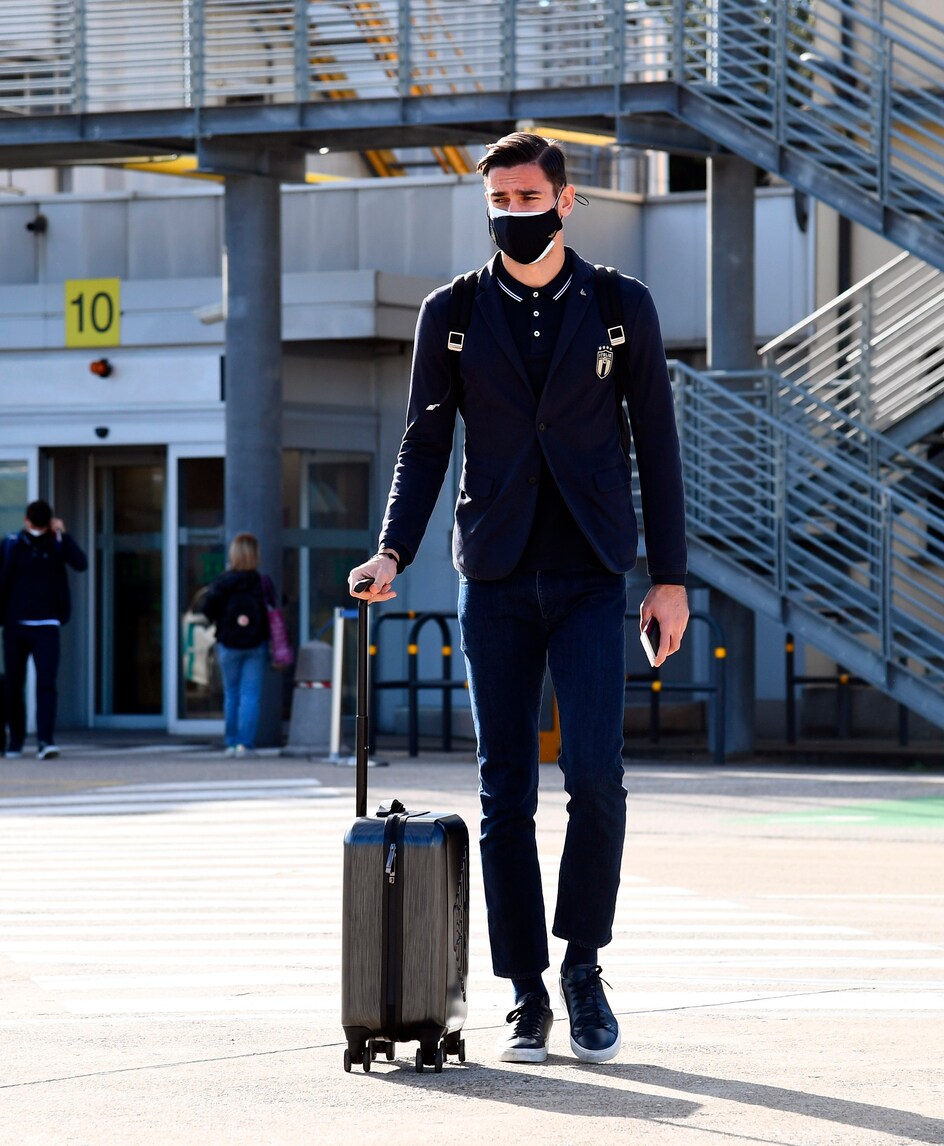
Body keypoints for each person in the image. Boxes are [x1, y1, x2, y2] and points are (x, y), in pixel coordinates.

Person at [348, 132, 689, 1065]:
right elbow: (424, 443)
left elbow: (657, 442)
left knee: (596, 779)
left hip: (590, 575)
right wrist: (391, 549)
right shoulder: (451, 313)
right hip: (493, 577)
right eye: (498, 199)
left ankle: (583, 968)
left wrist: (668, 577)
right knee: (505, 793)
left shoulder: (621, 306)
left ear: (565, 202)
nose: (512, 212)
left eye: (528, 197)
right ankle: (526, 992)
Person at [0, 500, 88, 761]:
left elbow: (80, 563)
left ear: (27, 519)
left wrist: (62, 536)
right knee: (15, 684)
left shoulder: (55, 544)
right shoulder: (12, 544)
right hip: (17, 625)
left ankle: (44, 740)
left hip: (46, 625)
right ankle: (18, 740)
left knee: (45, 683)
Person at [202, 532, 273, 758]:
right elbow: (275, 608)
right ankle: (245, 744)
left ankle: (231, 743)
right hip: (256, 644)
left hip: (228, 643)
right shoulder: (261, 582)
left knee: (231, 694)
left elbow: (207, 609)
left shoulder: (223, 582)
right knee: (250, 695)